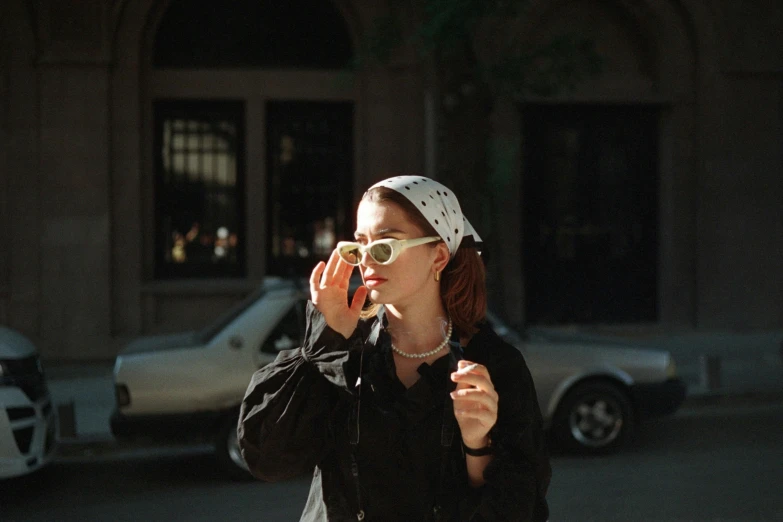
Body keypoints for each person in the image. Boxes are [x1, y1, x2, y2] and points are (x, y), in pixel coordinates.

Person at [238, 176, 551, 521]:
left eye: (385, 246)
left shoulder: (492, 365)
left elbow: (518, 507)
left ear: (439, 256)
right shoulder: (343, 353)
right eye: (358, 247)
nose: (367, 261)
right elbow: (269, 460)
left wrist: (477, 443)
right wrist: (324, 343)